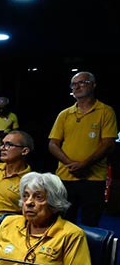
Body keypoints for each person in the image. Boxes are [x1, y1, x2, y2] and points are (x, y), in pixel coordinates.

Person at [48, 71, 117, 227]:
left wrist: (85, 164)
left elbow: (108, 143)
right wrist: (70, 163)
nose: (77, 86)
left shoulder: (106, 112)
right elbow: (53, 144)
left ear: (93, 85)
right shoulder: (64, 114)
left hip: (93, 179)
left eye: (82, 82)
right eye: (74, 84)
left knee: (90, 223)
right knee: (62, 223)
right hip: (66, 176)